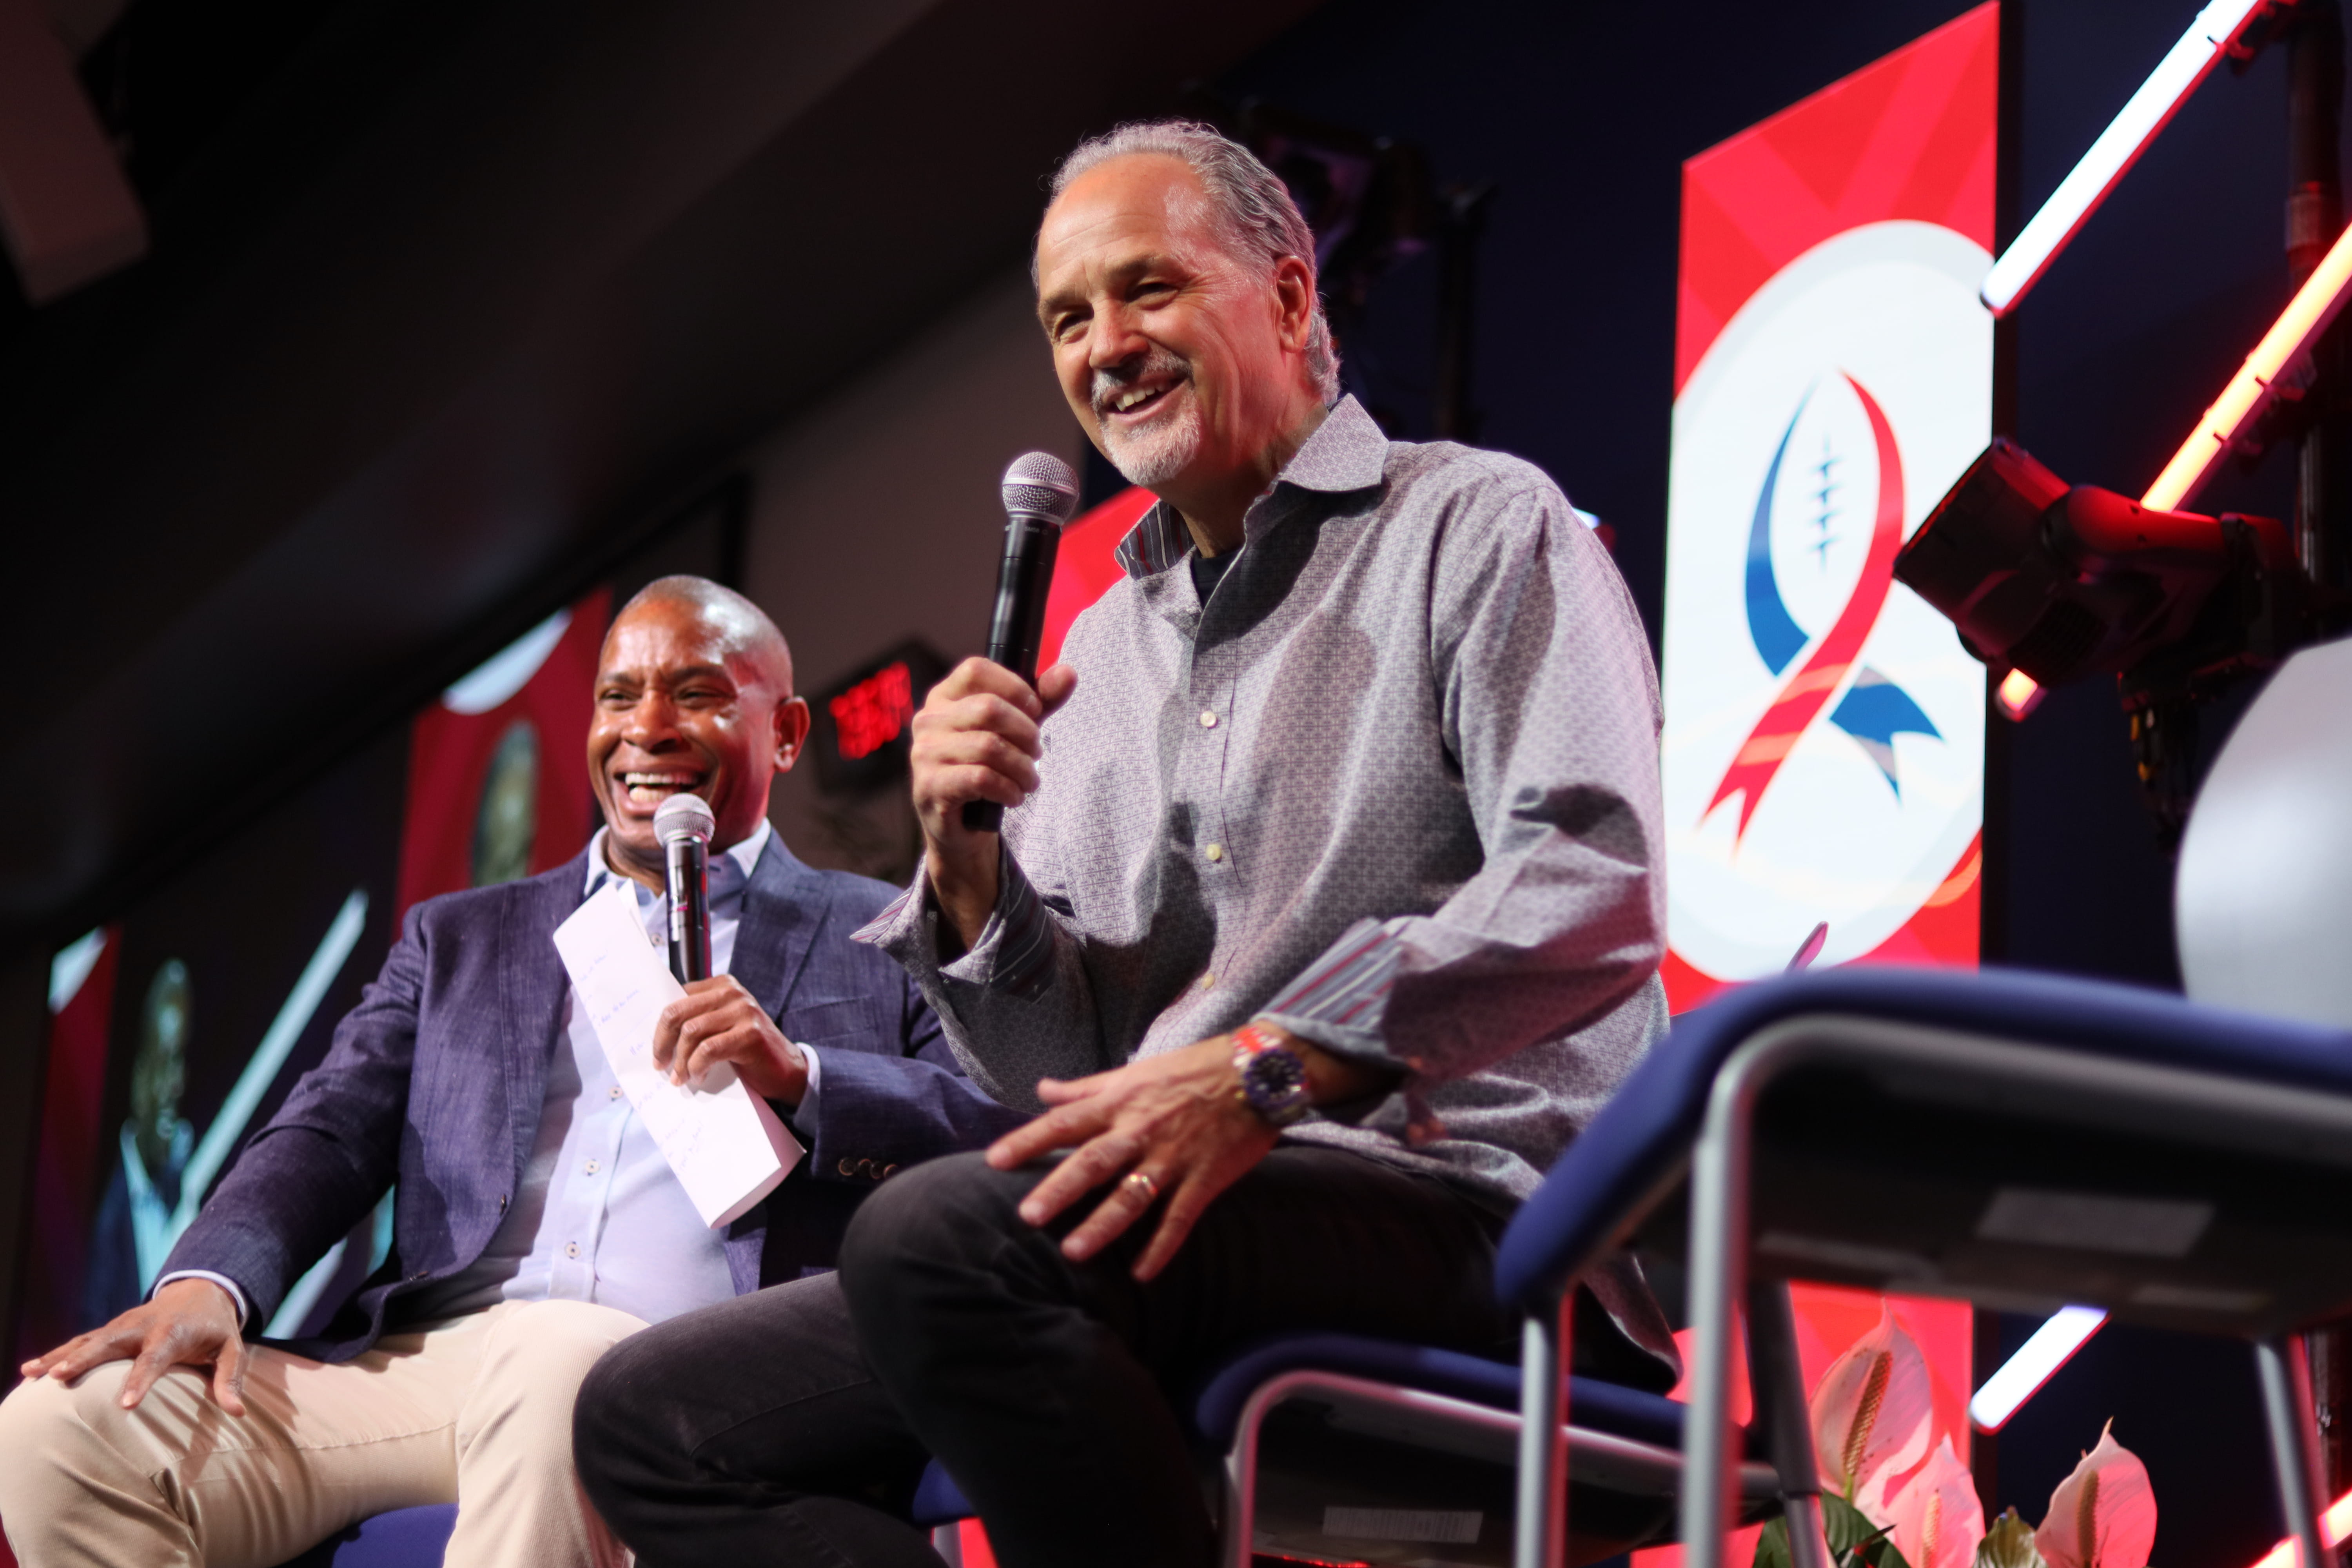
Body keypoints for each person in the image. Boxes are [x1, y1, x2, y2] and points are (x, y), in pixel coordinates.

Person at [573, 123, 1676, 1568]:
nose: (1105, 346)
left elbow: (1590, 884)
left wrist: (1265, 1069)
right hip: (1182, 1214)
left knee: (931, 1240)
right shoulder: (1099, 653)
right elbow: (1067, 1073)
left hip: (1473, 1207)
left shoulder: (1473, 524)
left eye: (1146, 290)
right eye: (1068, 317)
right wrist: (965, 872)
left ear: (1290, 298)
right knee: (652, 1421)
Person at [0, 576, 1022, 1568]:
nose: (647, 726)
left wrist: (803, 1078)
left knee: (559, 1365)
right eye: (618, 695)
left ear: (788, 733)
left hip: (695, 1377)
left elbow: (985, 1142)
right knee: (55, 1431)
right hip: (430, 1367)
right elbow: (329, 1128)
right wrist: (208, 1283)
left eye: (698, 693)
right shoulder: (462, 940)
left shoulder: (878, 932)